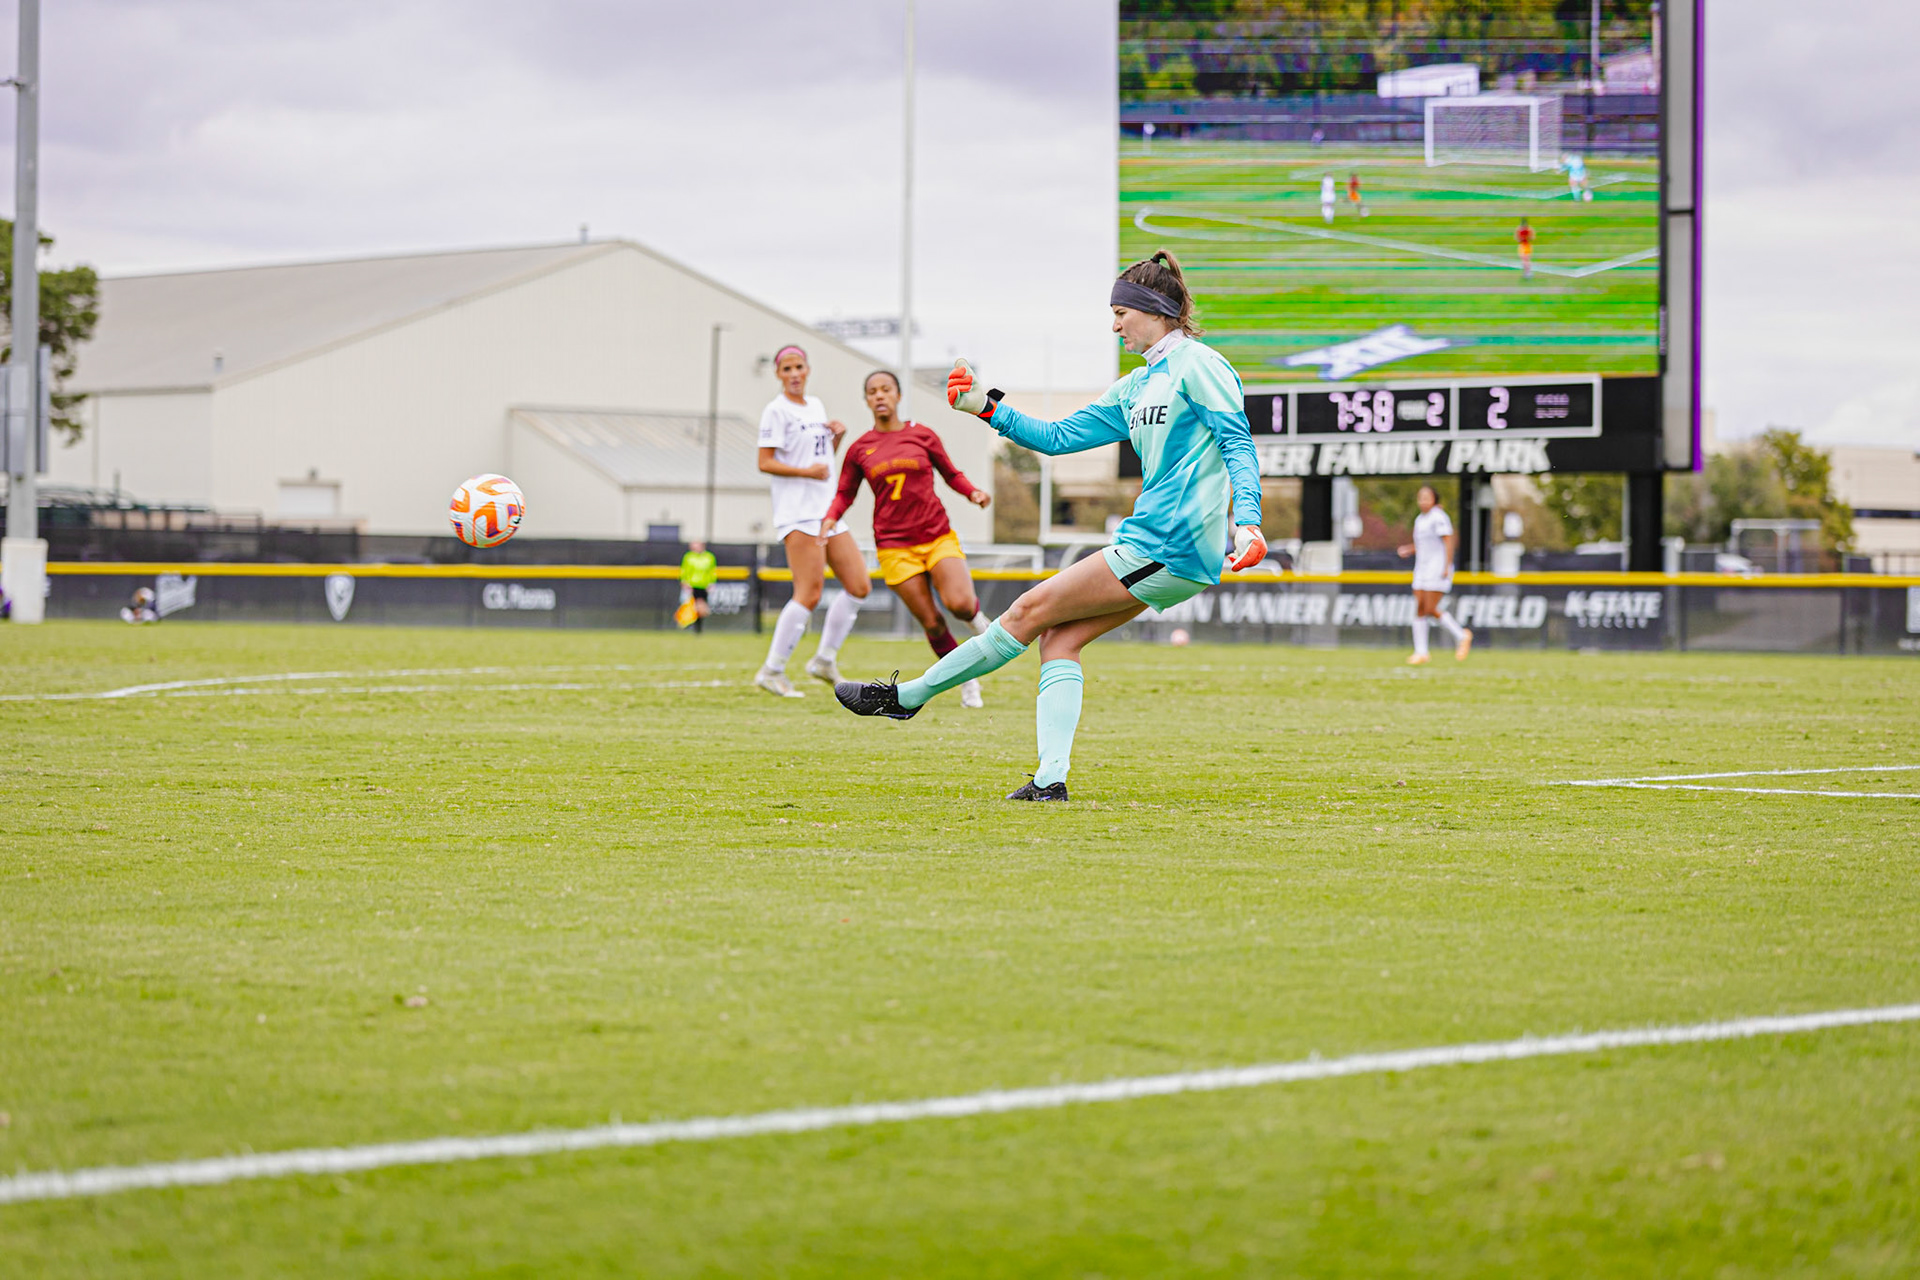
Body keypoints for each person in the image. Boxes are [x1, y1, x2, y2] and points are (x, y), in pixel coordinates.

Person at [834, 251, 1266, 801]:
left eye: (1120, 313)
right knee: (1058, 641)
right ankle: (1048, 781)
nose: (1113, 326)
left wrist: (1248, 523)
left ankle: (909, 697)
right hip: (1157, 547)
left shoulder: (1200, 365)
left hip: (1168, 544)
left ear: (1154, 310)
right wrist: (982, 407)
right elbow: (1058, 438)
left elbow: (1237, 443)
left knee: (1026, 610)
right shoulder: (1135, 387)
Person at [822, 370, 994, 708]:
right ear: (867, 400)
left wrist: (972, 492)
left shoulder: (922, 435)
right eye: (872, 391)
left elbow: (951, 473)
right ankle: (967, 680)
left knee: (959, 603)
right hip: (894, 546)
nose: (880, 395)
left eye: (886, 389)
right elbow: (845, 492)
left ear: (898, 395)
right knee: (932, 622)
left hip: (936, 535)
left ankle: (982, 628)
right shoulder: (860, 448)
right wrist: (830, 519)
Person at [752, 344, 870, 698]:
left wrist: (837, 438)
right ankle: (771, 670)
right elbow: (764, 462)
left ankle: (824, 660)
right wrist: (805, 471)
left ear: (807, 369)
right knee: (809, 592)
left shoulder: (816, 405)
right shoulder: (775, 411)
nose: (793, 374)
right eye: (786, 368)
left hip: (827, 510)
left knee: (859, 585)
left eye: (798, 367)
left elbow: (822, 462)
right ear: (778, 374)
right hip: (798, 513)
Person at [1396, 484, 1472, 665]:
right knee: (1420, 609)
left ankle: (1461, 635)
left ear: (1434, 499)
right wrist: (1409, 549)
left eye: (1426, 497)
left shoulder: (1438, 517)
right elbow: (1425, 544)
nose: (1423, 501)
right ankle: (1421, 651)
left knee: (1430, 609)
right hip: (1421, 568)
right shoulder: (1420, 520)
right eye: (1420, 497)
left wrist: (1446, 565)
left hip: (1437, 568)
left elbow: (1448, 541)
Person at [677, 540, 717, 632]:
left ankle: (698, 627)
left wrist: (711, 583)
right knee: (691, 607)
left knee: (702, 609)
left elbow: (712, 571)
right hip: (692, 585)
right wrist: (684, 581)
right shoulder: (689, 557)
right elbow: (684, 570)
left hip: (703, 585)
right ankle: (688, 624)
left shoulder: (709, 557)